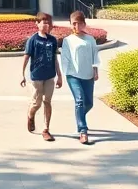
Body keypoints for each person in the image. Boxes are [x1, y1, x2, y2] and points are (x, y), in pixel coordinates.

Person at [59, 10, 99, 145]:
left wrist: (95, 70)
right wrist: (66, 73)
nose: (76, 26)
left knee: (89, 103)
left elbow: (95, 56)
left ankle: (79, 115)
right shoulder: (68, 41)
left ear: (84, 24)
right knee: (80, 101)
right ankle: (83, 131)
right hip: (73, 75)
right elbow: (64, 58)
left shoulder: (90, 39)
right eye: (73, 24)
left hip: (88, 75)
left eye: (78, 23)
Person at [20, 12, 61, 142]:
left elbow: (55, 59)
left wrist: (59, 76)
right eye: (43, 22)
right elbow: (26, 57)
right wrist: (22, 74)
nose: (46, 24)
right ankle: (30, 115)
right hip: (36, 76)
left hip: (49, 76)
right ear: (37, 24)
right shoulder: (33, 40)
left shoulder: (52, 40)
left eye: (48, 22)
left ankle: (46, 129)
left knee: (47, 102)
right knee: (36, 103)